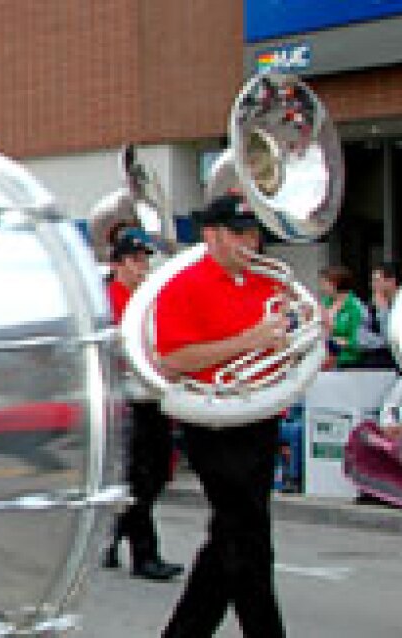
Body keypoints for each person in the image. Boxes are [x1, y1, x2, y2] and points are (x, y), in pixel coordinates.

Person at [155, 194, 286, 637]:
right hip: (213, 420)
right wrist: (249, 340)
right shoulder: (183, 285)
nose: (249, 242)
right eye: (238, 233)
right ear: (210, 236)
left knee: (234, 537)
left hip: (260, 417)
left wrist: (307, 332)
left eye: (253, 233)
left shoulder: (267, 284)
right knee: (249, 534)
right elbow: (173, 359)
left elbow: (281, 347)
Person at [99, 232, 184, 581]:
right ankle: (145, 555)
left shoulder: (148, 300)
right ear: (117, 265)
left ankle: (110, 534)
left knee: (158, 473)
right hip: (125, 398)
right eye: (134, 260)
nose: (142, 267)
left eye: (144, 260)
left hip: (152, 397)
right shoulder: (107, 301)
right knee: (139, 478)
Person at [318, 265, 366, 368]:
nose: (322, 287)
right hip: (324, 359)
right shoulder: (325, 302)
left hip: (347, 361)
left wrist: (339, 341)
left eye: (325, 283)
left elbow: (360, 339)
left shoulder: (355, 306)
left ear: (336, 284)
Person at [354, 262, 398, 369]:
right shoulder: (369, 306)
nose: (373, 285)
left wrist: (383, 311)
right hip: (373, 362)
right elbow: (360, 338)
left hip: (398, 364)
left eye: (377, 280)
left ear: (391, 281)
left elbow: (394, 337)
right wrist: (383, 343)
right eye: (372, 281)